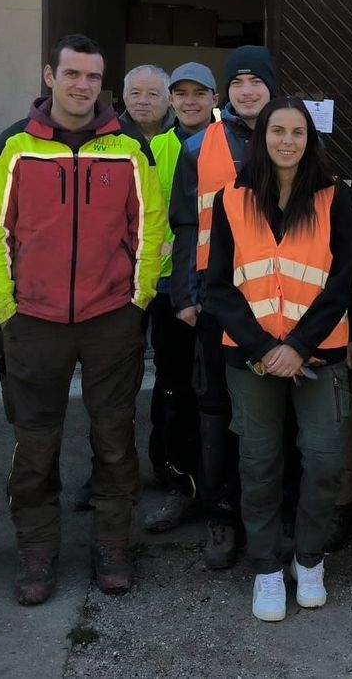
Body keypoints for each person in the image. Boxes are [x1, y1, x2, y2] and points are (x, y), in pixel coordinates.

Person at [0, 34, 165, 605]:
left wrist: (138, 300)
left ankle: (111, 545)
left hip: (111, 317)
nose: (83, 86)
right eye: (73, 74)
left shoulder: (129, 147)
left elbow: (149, 228)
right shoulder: (11, 149)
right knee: (35, 446)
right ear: (49, 76)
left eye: (93, 77)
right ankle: (37, 552)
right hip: (33, 321)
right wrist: (6, 308)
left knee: (114, 441)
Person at [205, 97, 352, 622]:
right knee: (259, 465)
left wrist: (296, 347)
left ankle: (308, 559)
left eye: (297, 132)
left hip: (318, 354)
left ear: (310, 139)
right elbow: (217, 288)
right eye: (277, 131)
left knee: (322, 460)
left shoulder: (336, 198)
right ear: (261, 138)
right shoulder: (230, 199)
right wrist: (266, 349)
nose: (287, 141)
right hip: (252, 359)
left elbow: (341, 285)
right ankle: (268, 568)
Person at [169, 45, 277, 568]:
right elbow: (186, 224)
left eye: (257, 81)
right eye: (238, 82)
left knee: (271, 414)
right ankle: (220, 516)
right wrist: (185, 294)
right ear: (226, 91)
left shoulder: (293, 137)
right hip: (216, 298)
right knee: (215, 409)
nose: (247, 90)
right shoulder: (199, 146)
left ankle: (273, 515)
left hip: (280, 299)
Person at [142, 62, 218, 532]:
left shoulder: (230, 144)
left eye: (199, 93)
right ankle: (178, 484)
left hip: (221, 289)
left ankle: (220, 489)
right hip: (170, 288)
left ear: (215, 98)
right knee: (174, 390)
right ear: (171, 100)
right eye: (181, 94)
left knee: (217, 396)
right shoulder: (155, 149)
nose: (190, 102)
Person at [119, 64, 173, 141]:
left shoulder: (183, 133)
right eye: (135, 93)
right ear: (125, 97)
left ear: (169, 99)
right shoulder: (113, 133)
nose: (143, 101)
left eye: (153, 94)